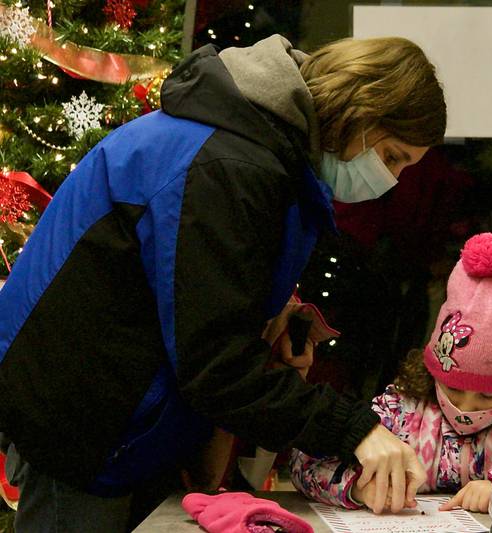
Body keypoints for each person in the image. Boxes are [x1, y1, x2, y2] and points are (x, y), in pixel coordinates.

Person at [0, 34, 445, 530]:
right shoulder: (232, 164)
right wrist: (355, 430)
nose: (392, 179)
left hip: (116, 418)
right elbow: (215, 362)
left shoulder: (254, 144)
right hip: (84, 427)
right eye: (392, 156)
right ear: (359, 112)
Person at [291, 233, 492, 514]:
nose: (466, 407)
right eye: (452, 389)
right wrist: (359, 489)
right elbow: (305, 458)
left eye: (488, 396)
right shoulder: (400, 411)